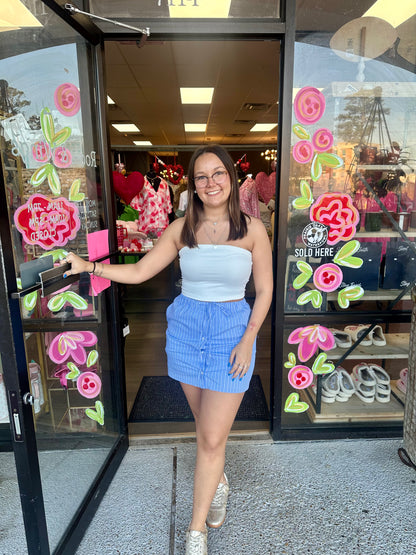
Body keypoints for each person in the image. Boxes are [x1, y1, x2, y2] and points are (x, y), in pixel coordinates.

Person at [63, 144, 273, 555]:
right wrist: (90, 267)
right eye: (201, 176)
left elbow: (264, 291)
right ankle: (219, 480)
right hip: (186, 330)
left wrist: (249, 339)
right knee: (204, 426)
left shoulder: (252, 229)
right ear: (192, 185)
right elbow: (141, 271)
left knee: (212, 439)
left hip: (232, 331)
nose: (211, 183)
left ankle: (196, 532)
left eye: (218, 174)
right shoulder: (181, 228)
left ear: (231, 177)